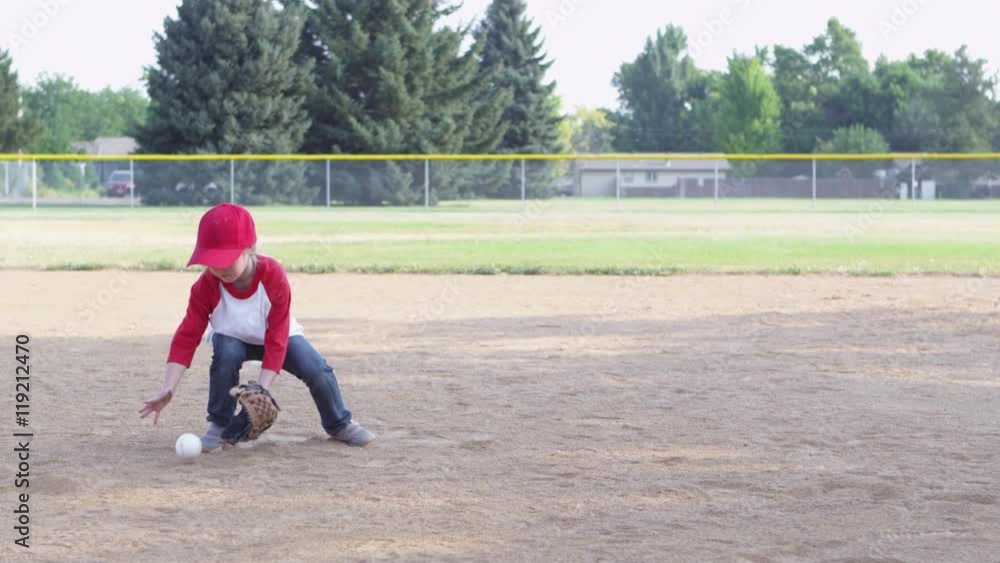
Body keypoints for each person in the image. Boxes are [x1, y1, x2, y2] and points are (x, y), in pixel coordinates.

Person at [139, 203, 375, 449]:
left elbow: (277, 336)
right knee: (227, 354)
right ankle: (220, 424)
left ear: (249, 249)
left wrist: (262, 389)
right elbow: (187, 335)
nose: (219, 268)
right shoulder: (206, 286)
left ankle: (338, 423)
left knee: (316, 369)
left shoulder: (273, 274)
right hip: (231, 336)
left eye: (226, 260)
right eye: (211, 261)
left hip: (275, 334)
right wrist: (168, 388)